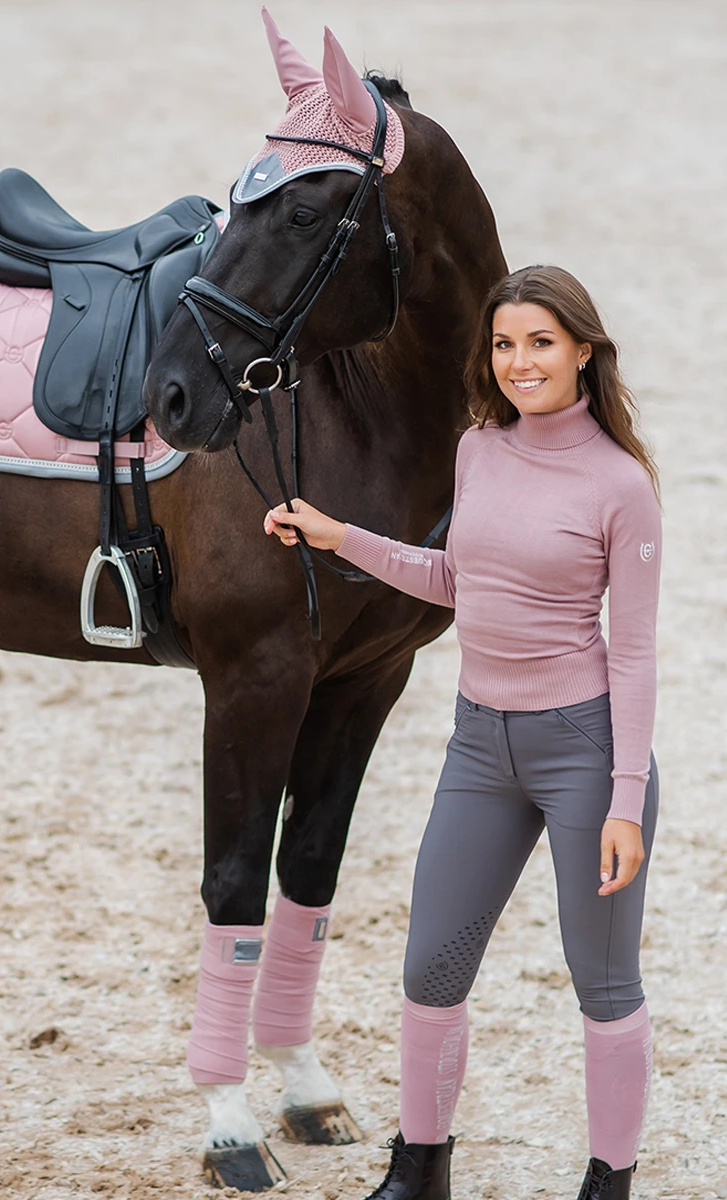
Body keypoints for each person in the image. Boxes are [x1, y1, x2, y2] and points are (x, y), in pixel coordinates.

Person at [264, 265, 661, 1200]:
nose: (520, 363)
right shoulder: (477, 450)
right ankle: (421, 1171)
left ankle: (610, 1183)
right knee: (432, 967)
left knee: (602, 984)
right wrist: (341, 537)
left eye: (541, 343)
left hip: (585, 753)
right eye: (504, 343)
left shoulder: (621, 486)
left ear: (584, 354)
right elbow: (454, 579)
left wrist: (627, 801)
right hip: (480, 746)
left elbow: (635, 653)